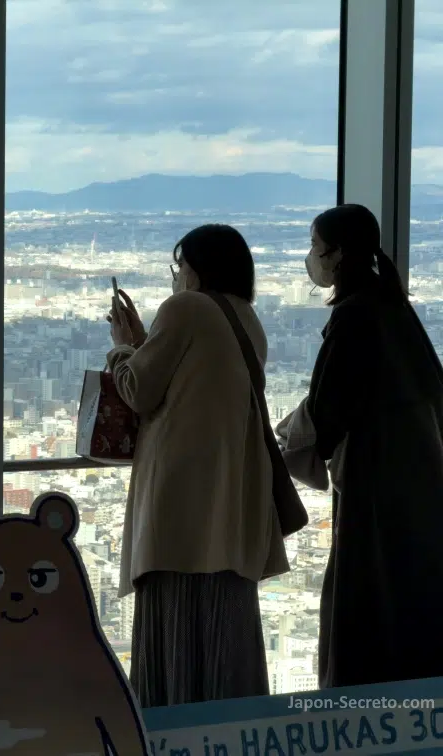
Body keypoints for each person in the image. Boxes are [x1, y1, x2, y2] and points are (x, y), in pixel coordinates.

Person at [107, 223, 288, 708]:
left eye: (178, 266)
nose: (176, 277)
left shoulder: (184, 307)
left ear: (195, 268)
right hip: (231, 500)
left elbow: (139, 391)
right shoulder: (246, 317)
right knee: (223, 633)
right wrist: (150, 343)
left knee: (174, 631)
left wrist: (123, 344)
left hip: (179, 503)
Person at [297, 203, 443, 688]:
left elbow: (327, 411)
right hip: (418, 477)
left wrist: (288, 441)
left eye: (318, 248)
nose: (313, 258)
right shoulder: (393, 305)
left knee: (366, 597)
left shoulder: (354, 315)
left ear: (339, 255)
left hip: (375, 482)